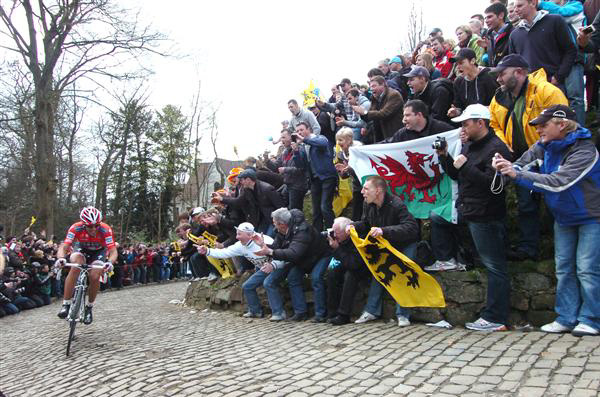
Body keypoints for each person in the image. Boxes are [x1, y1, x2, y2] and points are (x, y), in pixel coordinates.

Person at [493, 104, 600, 337]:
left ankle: (591, 319)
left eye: (544, 124)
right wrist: (504, 165)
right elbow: (520, 164)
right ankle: (566, 317)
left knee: (587, 269)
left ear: (562, 125)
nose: (539, 129)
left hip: (592, 217)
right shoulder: (544, 146)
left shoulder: (585, 151)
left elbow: (559, 182)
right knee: (563, 269)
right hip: (563, 217)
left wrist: (517, 174)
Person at [436, 104, 512, 331]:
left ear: (481, 122)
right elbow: (456, 174)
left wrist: (466, 166)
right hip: (469, 211)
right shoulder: (470, 145)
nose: (463, 127)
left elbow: (495, 186)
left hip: (486, 215)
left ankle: (496, 318)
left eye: (466, 123)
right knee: (438, 219)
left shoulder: (497, 149)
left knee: (495, 266)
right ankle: (449, 259)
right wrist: (444, 157)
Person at [489, 54, 568, 260]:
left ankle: (558, 248)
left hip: (551, 154)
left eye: (502, 74)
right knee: (526, 204)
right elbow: (494, 123)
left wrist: (546, 146)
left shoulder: (547, 91)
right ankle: (528, 248)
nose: (499, 79)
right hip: (520, 157)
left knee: (555, 200)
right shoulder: (499, 97)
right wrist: (504, 143)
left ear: (520, 72)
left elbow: (563, 122)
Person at [347, 176, 420, 327]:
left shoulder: (397, 204)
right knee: (379, 273)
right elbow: (367, 224)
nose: (362, 192)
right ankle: (371, 311)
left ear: (378, 190)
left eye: (366, 189)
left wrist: (383, 231)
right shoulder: (368, 204)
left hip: (406, 244)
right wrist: (353, 226)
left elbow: (412, 228)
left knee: (404, 274)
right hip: (387, 244)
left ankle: (403, 315)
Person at [254, 208, 331, 322]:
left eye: (275, 223)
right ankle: (301, 312)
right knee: (292, 277)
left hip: (321, 255)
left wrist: (270, 252)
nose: (274, 226)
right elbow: (277, 247)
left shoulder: (302, 230)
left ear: (282, 224)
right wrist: (263, 245)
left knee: (316, 278)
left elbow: (294, 253)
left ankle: (320, 314)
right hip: (304, 259)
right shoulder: (282, 230)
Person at [197, 222, 285, 318]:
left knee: (268, 283)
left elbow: (282, 257)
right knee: (247, 286)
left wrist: (273, 265)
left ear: (249, 235)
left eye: (239, 234)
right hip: (264, 269)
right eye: (237, 233)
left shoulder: (265, 240)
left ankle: (279, 313)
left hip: (280, 266)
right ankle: (256, 311)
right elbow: (225, 253)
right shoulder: (240, 245)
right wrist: (207, 251)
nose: (237, 237)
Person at [56, 206, 116, 325]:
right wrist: (61, 258)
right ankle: (66, 304)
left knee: (94, 276)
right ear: (83, 224)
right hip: (81, 249)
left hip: (99, 252)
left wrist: (110, 262)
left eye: (96, 225)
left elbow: (113, 251)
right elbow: (65, 246)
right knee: (76, 266)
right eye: (90, 226)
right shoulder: (75, 227)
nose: (94, 229)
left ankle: (89, 307)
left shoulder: (105, 229)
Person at [509, 0, 577, 88]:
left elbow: (570, 50)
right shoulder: (514, 34)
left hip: (553, 86)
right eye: (514, 7)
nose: (515, 10)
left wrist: (558, 77)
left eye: (519, 6)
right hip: (527, 89)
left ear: (533, 3)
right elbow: (513, 63)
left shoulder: (555, 21)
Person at [293, 122, 338, 231]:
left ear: (309, 130)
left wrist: (304, 140)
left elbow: (322, 144)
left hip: (327, 176)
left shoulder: (319, 138)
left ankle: (332, 233)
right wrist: (296, 152)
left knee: (325, 207)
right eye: (297, 131)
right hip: (314, 180)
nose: (299, 133)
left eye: (301, 130)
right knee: (316, 210)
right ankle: (318, 236)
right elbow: (301, 165)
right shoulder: (303, 146)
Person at [326, 217, 370, 325]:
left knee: (350, 276)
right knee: (332, 272)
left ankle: (343, 314)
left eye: (337, 233)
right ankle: (332, 312)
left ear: (347, 231)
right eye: (333, 232)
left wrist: (337, 249)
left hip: (362, 267)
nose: (334, 235)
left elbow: (353, 264)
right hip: (347, 261)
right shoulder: (339, 238)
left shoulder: (357, 238)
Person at [447, 48, 499, 119]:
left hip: (491, 120)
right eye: (457, 64)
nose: (458, 67)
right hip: (470, 123)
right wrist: (456, 112)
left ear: (473, 61)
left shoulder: (489, 76)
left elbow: (499, 104)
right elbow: (459, 107)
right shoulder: (458, 82)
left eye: (461, 63)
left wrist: (482, 110)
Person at [265, 129, 308, 211]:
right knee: (283, 207)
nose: (282, 140)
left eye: (284, 137)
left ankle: (297, 224)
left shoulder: (300, 149)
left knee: (294, 211)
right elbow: (276, 167)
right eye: (281, 138)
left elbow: (301, 169)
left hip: (298, 185)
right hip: (288, 185)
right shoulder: (284, 152)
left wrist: (285, 169)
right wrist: (267, 160)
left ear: (291, 138)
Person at [353, 75, 404, 142]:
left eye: (374, 86)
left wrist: (364, 112)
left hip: (393, 133)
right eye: (370, 86)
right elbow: (371, 114)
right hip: (379, 134)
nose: (371, 89)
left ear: (383, 84)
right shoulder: (374, 97)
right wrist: (365, 126)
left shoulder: (394, 95)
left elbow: (384, 113)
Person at [383, 100, 453, 143]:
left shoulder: (442, 129)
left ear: (419, 115)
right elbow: (389, 143)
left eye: (407, 115)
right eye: (404, 116)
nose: (403, 120)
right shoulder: (402, 134)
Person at [482, 2, 514, 67]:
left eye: (489, 17)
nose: (486, 21)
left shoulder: (513, 33)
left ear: (501, 15)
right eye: (485, 18)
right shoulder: (489, 37)